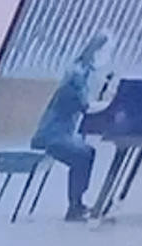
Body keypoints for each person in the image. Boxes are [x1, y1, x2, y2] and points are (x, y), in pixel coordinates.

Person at [29, 32, 114, 218]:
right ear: (97, 51)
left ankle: (77, 204)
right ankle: (75, 207)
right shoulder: (78, 74)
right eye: (107, 51)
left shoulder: (81, 71)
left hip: (59, 133)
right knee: (83, 155)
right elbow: (86, 106)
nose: (108, 56)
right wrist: (112, 105)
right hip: (51, 135)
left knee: (86, 152)